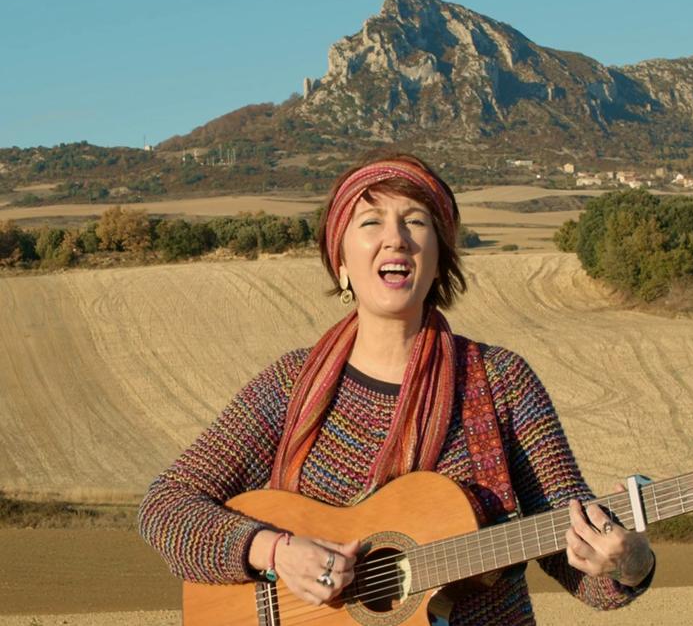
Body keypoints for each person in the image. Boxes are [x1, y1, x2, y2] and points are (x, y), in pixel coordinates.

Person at [138, 152, 655, 625]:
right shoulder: (288, 386)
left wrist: (628, 564)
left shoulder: (501, 382)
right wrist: (275, 550)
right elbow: (165, 506)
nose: (396, 238)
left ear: (439, 259)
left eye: (415, 221)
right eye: (371, 222)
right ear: (340, 263)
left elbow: (576, 554)